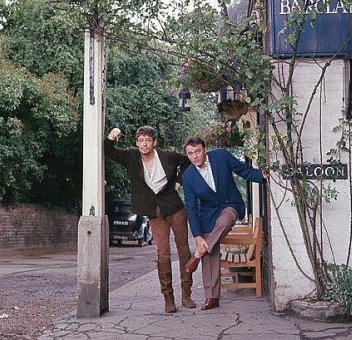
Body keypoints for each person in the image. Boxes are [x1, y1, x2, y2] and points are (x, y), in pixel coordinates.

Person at [105, 126, 195, 313]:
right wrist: (111, 137)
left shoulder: (167, 156)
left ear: (154, 142)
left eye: (148, 140)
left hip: (174, 207)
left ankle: (186, 294)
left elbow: (187, 160)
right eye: (141, 140)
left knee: (184, 249)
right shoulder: (131, 157)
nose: (144, 144)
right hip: (155, 212)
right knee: (163, 253)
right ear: (136, 143)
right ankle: (168, 298)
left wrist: (178, 181)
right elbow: (108, 151)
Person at [182, 136, 267, 310]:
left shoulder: (221, 156)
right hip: (207, 214)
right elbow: (191, 208)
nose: (194, 156)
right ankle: (212, 297)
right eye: (190, 153)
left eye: (197, 151)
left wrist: (262, 176)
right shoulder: (188, 176)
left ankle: (197, 255)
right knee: (208, 245)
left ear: (204, 149)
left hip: (230, 204)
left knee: (225, 221)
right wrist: (198, 237)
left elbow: (242, 170)